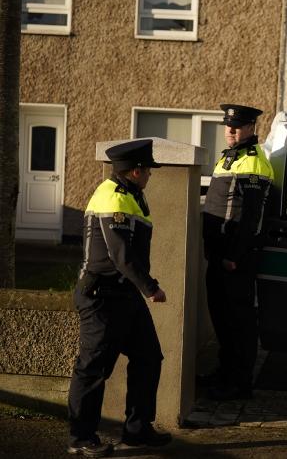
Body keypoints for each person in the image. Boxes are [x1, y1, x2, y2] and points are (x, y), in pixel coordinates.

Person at [67, 139, 170, 457]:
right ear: (136, 171)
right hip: (102, 297)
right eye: (148, 170)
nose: (151, 175)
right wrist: (151, 288)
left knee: (149, 357)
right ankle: (80, 439)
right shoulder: (112, 196)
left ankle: (137, 430)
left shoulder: (132, 196)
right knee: (93, 368)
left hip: (122, 295)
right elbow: (121, 254)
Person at [203, 104, 274, 401]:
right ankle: (225, 372)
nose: (230, 130)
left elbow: (252, 218)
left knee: (239, 322)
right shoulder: (228, 159)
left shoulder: (254, 162)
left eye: (238, 125)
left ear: (251, 128)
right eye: (228, 125)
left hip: (235, 260)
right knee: (221, 319)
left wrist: (235, 255)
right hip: (218, 256)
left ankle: (239, 382)